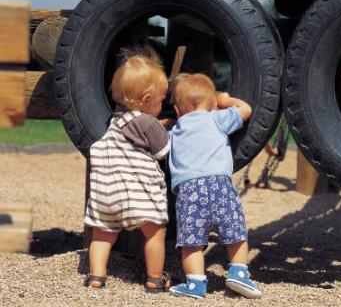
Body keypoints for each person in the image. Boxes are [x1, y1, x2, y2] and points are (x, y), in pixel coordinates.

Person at [84, 46, 172, 292]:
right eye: (161, 100)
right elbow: (162, 151)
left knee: (102, 235)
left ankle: (96, 277)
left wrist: (157, 123)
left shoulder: (114, 120)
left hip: (105, 195)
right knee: (155, 232)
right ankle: (155, 278)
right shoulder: (148, 123)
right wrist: (166, 128)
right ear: (146, 100)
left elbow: (138, 129)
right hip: (135, 195)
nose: (162, 103)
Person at [168, 73, 261, 299]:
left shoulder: (175, 130)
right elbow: (246, 109)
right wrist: (225, 100)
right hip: (220, 186)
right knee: (235, 232)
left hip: (189, 192)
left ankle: (196, 284)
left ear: (178, 111)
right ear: (212, 105)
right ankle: (239, 272)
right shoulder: (216, 118)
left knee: (191, 242)